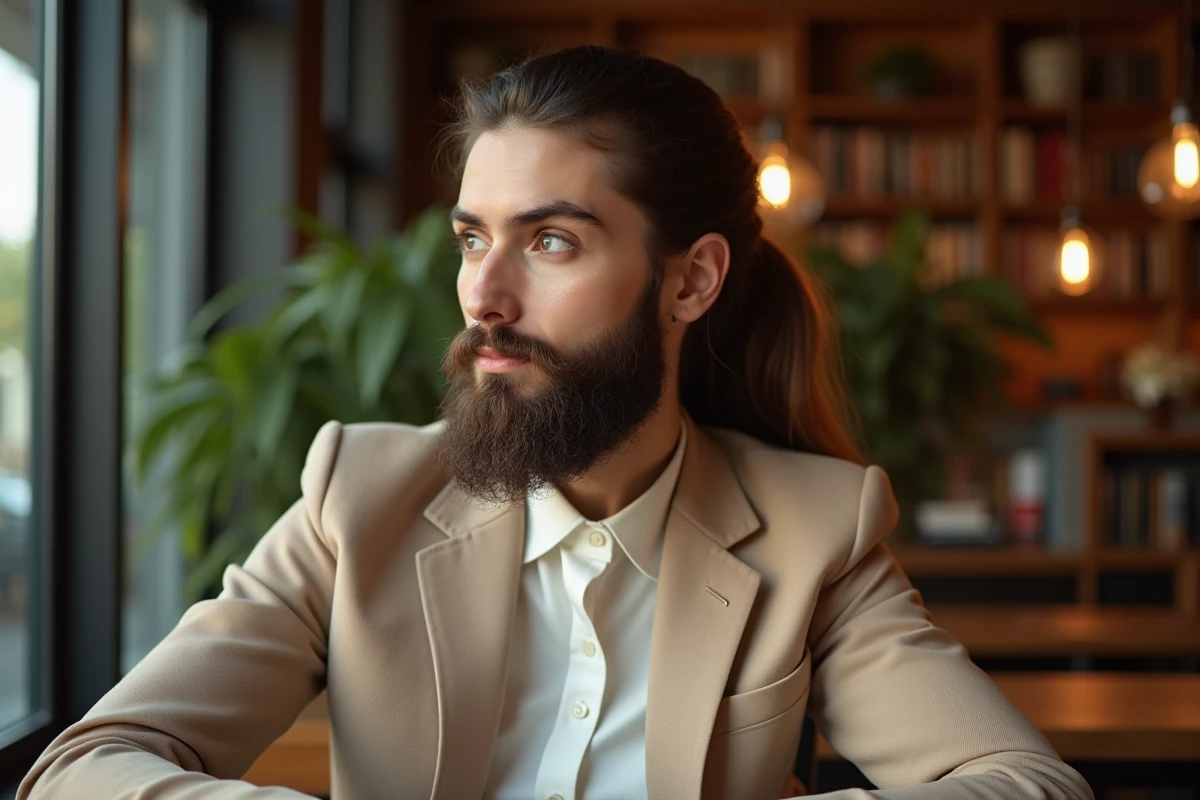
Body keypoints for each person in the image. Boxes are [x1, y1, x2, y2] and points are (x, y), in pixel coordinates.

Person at [18, 45, 1092, 800]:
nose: (483, 294)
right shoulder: (360, 496)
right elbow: (85, 763)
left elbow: (1022, 781)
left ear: (692, 281)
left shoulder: (815, 529)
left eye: (552, 242)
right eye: (470, 237)